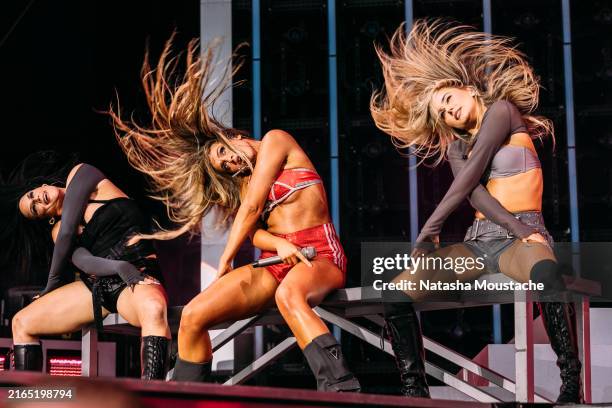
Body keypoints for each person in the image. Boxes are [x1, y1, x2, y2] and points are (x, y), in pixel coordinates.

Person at [109, 36, 360, 392]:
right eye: (223, 167)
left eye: (224, 154)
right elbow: (256, 229)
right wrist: (278, 244)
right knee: (194, 316)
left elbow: (254, 208)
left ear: (234, 137)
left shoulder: (276, 141)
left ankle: (341, 387)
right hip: (276, 260)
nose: (230, 163)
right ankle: (184, 398)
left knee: (289, 297)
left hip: (319, 255)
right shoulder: (245, 182)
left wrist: (227, 259)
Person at [370, 19, 581, 402]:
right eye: (442, 114)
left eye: (449, 100)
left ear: (466, 89)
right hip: (480, 243)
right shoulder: (455, 148)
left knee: (548, 275)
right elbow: (475, 196)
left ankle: (571, 383)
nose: (448, 112)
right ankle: (415, 391)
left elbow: (468, 178)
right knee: (396, 292)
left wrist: (429, 232)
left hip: (523, 237)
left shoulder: (502, 112)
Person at [2, 152, 171, 380]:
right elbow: (86, 262)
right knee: (22, 322)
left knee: (153, 309)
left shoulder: (82, 173)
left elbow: (68, 232)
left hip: (136, 274)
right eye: (34, 208)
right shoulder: (57, 232)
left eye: (32, 195)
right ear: (44, 217)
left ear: (44, 185)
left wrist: (51, 285)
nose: (37, 200)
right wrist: (119, 267)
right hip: (101, 285)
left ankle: (154, 400)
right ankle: (27, 402)